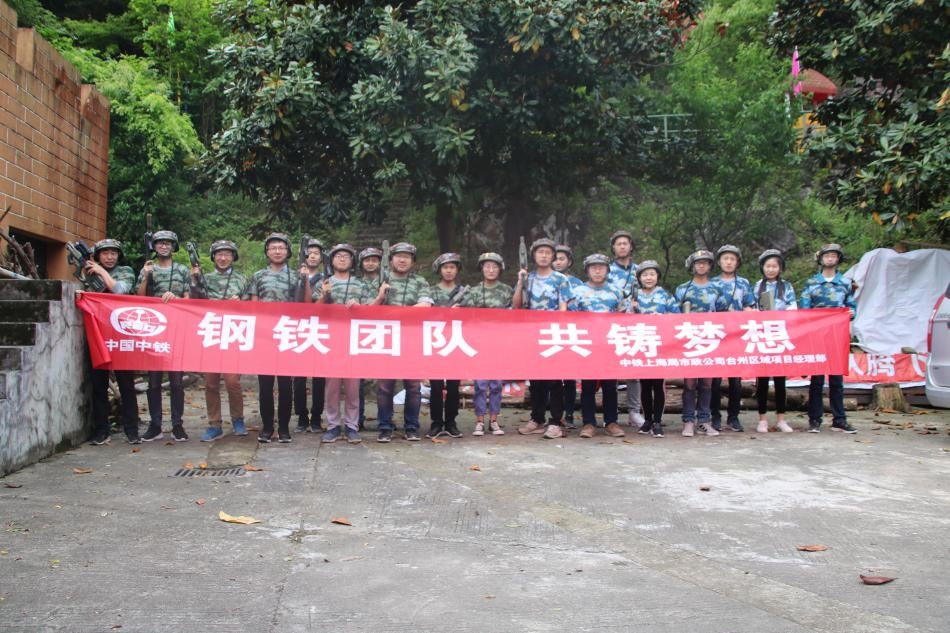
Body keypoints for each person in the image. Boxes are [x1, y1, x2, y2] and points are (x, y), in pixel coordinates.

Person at [311, 243, 381, 444]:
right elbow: (313, 310)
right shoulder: (324, 283)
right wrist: (323, 295)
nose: (342, 259)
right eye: (338, 256)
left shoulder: (361, 284)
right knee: (332, 387)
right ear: (331, 260)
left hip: (353, 340)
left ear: (352, 261)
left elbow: (372, 309)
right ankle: (333, 425)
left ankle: (352, 425)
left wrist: (359, 307)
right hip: (330, 340)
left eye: (346, 256)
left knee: (353, 387)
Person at [81, 239, 140, 445]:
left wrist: (100, 271)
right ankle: (101, 430)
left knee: (126, 384)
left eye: (113, 253)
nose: (109, 257)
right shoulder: (88, 272)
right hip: (97, 332)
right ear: (98, 255)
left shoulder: (125, 271)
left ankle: (132, 429)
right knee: (98, 384)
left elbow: (120, 290)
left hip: (121, 334)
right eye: (105, 253)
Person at [191, 240, 249, 441]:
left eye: (227, 254)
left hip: (233, 335)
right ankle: (214, 424)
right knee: (211, 383)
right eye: (219, 254)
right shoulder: (204, 279)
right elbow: (194, 303)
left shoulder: (242, 279)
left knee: (233, 381)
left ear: (233, 257)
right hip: (211, 334)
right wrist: (194, 281)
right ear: (213, 257)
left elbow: (252, 307)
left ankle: (238, 419)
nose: (223, 258)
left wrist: (240, 304)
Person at [513, 237, 570, 439]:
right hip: (532, 333)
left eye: (548, 252)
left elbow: (563, 307)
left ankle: (555, 421)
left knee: (555, 380)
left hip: (552, 333)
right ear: (533, 255)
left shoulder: (561, 279)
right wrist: (520, 282)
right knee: (535, 380)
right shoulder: (528, 278)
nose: (544, 256)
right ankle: (537, 419)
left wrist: (560, 331)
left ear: (553, 256)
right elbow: (516, 305)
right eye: (540, 252)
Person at [376, 242, 433, 442]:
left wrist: (395, 313)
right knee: (385, 386)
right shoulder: (381, 279)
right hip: (385, 337)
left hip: (411, 338)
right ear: (391, 259)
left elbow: (425, 305)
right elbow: (370, 305)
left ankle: (411, 427)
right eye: (398, 256)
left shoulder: (419, 281)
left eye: (407, 257)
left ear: (413, 261)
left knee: (413, 387)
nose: (402, 260)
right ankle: (385, 426)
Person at [136, 230, 190, 442]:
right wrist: (145, 276)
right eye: (160, 243)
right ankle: (155, 424)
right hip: (154, 330)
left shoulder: (182, 270)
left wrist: (176, 299)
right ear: (154, 246)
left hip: (177, 329)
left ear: (173, 246)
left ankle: (177, 424)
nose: (164, 246)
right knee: (154, 382)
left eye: (168, 243)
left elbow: (190, 300)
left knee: (176, 381)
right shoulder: (148, 268)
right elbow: (139, 297)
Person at [799, 243, 858, 434]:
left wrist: (851, 313)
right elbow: (804, 309)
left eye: (834, 255)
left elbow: (851, 306)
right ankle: (814, 419)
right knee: (816, 380)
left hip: (837, 335)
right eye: (827, 256)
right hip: (817, 335)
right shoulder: (811, 283)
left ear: (838, 259)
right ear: (821, 259)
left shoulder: (845, 283)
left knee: (836, 380)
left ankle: (839, 419)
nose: (830, 259)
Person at [246, 232, 297, 443]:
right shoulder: (258, 276)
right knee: (265, 385)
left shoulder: (296, 276)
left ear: (288, 251)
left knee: (286, 386)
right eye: (273, 248)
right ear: (267, 252)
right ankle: (267, 427)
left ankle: (284, 427)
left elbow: (304, 304)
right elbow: (253, 305)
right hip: (265, 336)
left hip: (287, 334)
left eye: (281, 248)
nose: (277, 251)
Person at [569, 254, 625, 438]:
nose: (598, 271)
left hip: (609, 345)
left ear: (607, 270)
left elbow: (624, 317)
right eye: (593, 268)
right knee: (588, 386)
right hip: (587, 345)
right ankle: (588, 423)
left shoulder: (616, 291)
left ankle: (611, 422)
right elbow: (570, 317)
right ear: (587, 270)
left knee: (610, 386)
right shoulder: (578, 291)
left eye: (601, 267)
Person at [458, 252, 514, 436]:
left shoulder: (506, 290)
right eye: (487, 266)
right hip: (479, 343)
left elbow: (513, 312)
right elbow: (465, 315)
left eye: (494, 267)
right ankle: (480, 421)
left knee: (496, 384)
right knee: (480, 385)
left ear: (500, 269)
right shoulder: (473, 291)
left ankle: (494, 420)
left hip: (499, 342)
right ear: (481, 269)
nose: (490, 270)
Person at [674, 249, 728, 438]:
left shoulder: (717, 289)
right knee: (689, 384)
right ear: (692, 266)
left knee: (706, 383)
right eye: (698, 263)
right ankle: (688, 420)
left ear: (710, 265)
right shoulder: (683, 289)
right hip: (689, 340)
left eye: (705, 262)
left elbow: (724, 314)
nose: (701, 265)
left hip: (710, 339)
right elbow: (674, 315)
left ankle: (704, 420)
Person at [630, 259, 679, 438]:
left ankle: (657, 421)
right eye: (645, 275)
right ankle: (647, 420)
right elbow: (623, 319)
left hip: (660, 345)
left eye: (652, 274)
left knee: (658, 384)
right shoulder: (634, 297)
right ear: (639, 278)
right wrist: (631, 310)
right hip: (641, 344)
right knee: (644, 384)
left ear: (657, 276)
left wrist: (664, 317)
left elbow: (677, 316)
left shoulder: (665, 295)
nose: (648, 278)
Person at [710, 244, 756, 432]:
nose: (728, 262)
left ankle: (734, 416)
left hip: (737, 334)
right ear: (719, 262)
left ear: (737, 262)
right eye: (725, 259)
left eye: (732, 259)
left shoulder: (743, 283)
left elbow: (749, 305)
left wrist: (749, 312)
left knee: (735, 379)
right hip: (716, 334)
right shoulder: (712, 283)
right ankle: (714, 415)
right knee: (714, 379)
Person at [753, 249, 797, 433]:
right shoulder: (758, 286)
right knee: (762, 380)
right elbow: (752, 308)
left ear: (780, 268)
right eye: (768, 266)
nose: (771, 269)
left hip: (780, 335)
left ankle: (781, 418)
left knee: (780, 380)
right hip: (762, 336)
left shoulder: (786, 286)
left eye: (774, 266)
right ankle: (762, 419)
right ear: (762, 267)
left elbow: (793, 307)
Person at [425, 252, 466, 438]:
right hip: (435, 341)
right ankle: (436, 422)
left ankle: (451, 422)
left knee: (453, 386)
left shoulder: (464, 292)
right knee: (435, 386)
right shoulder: (431, 291)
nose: (449, 271)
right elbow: (425, 312)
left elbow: (472, 315)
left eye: (452, 267)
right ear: (439, 270)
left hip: (456, 341)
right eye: (445, 267)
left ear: (457, 270)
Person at [607, 229, 644, 428]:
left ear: (631, 246)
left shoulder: (640, 270)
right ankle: (610, 414)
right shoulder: (606, 270)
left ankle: (634, 411)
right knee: (610, 371)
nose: (622, 246)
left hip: (635, 325)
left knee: (634, 370)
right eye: (618, 243)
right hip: (610, 325)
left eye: (625, 243)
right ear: (613, 247)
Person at [294, 238, 327, 433]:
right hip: (298, 328)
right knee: (298, 377)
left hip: (320, 329)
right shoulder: (294, 276)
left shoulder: (327, 278)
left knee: (319, 377)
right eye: (309, 253)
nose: (313, 256)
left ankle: (316, 416)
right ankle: (301, 415)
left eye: (317, 253)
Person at [553, 245, 583, 428]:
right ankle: (551, 416)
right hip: (548, 332)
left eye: (561, 258)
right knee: (550, 377)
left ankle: (570, 413)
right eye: (555, 258)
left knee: (570, 377)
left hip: (571, 331)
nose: (557, 262)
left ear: (569, 262)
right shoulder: (545, 280)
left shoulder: (577, 283)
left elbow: (581, 307)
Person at [356, 246, 384, 430]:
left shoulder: (387, 282)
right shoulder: (356, 283)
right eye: (367, 260)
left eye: (374, 260)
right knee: (357, 381)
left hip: (384, 332)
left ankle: (385, 420)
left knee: (384, 381)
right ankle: (357, 418)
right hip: (360, 333)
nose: (371, 263)